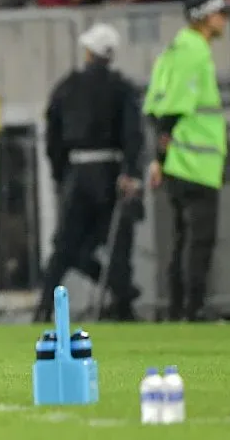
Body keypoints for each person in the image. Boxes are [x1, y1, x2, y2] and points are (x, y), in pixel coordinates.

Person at [33, 24, 143, 323]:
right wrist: (131, 171)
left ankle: (44, 306)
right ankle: (123, 301)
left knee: (66, 245)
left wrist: (60, 175)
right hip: (111, 172)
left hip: (78, 173)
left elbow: (52, 136)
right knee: (117, 243)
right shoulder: (122, 87)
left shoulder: (67, 86)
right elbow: (133, 133)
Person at [143, 0, 229, 321]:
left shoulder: (173, 50)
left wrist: (159, 159)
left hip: (178, 162)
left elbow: (154, 107)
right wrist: (161, 159)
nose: (224, 20)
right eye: (220, 13)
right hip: (195, 163)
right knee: (199, 239)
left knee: (182, 239)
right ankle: (194, 310)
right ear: (205, 17)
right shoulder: (195, 52)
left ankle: (180, 310)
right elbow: (173, 111)